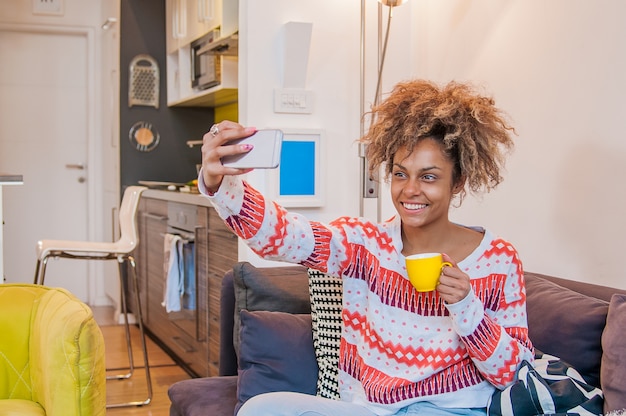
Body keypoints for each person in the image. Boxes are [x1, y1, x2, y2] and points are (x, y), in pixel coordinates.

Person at [198, 79, 534, 416]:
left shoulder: (498, 260)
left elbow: (512, 373)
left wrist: (466, 306)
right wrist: (219, 181)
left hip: (455, 411)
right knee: (259, 409)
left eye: (429, 177)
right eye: (401, 174)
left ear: (457, 181)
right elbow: (283, 236)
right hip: (373, 411)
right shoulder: (365, 244)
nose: (410, 190)